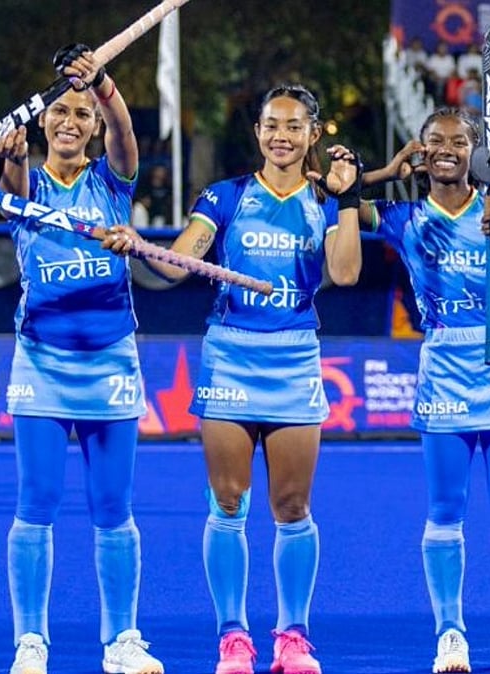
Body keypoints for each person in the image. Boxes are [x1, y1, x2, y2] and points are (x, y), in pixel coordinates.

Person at [108, 83, 362, 674]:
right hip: (229, 356)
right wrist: (139, 247)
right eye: (272, 125)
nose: (281, 135)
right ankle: (234, 638)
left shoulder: (324, 200)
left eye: (294, 126)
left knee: (293, 505)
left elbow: (346, 273)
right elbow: (177, 263)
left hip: (295, 356)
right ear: (258, 133)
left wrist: (348, 202)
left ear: (313, 134)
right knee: (228, 502)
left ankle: (293, 637)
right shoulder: (225, 198)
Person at [361, 108, 490, 673]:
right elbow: (330, 195)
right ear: (420, 151)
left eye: (459, 141)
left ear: (474, 151)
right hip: (444, 360)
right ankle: (450, 633)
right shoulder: (403, 216)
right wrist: (382, 173)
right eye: (434, 141)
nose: (447, 148)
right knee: (445, 511)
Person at [0, 45, 163, 674]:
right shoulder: (26, 182)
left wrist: (105, 85)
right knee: (36, 503)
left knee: (113, 508)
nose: (71, 120)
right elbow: (9, 182)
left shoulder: (114, 183)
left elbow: (124, 131)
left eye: (82, 113)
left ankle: (121, 639)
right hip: (41, 361)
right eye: (61, 112)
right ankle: (30, 642)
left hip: (112, 361)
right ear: (44, 121)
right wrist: (7, 161)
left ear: (93, 126)